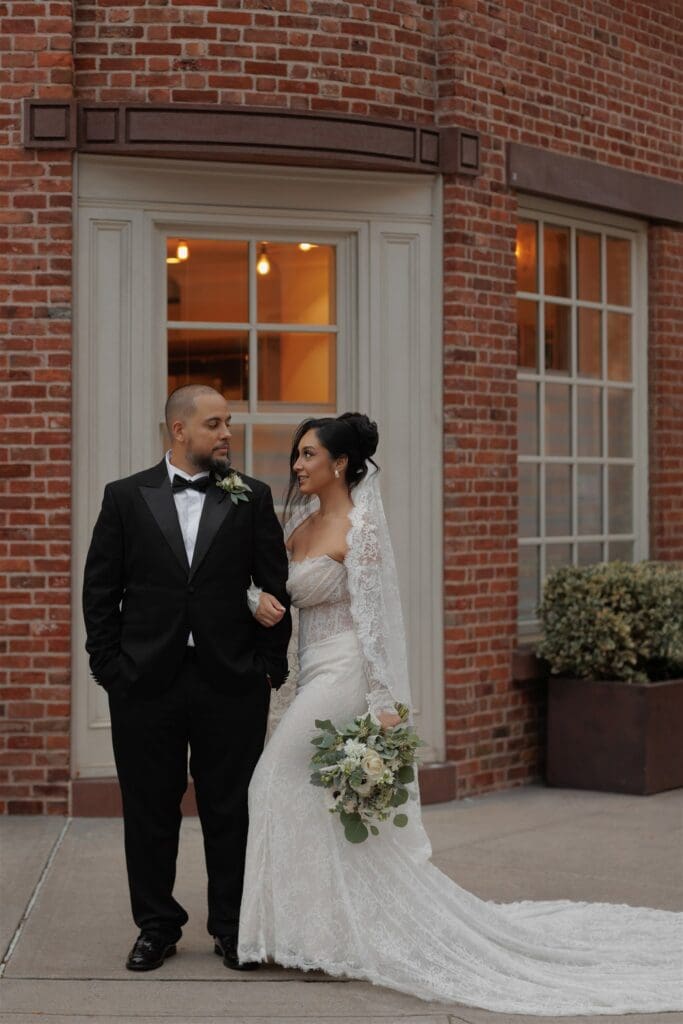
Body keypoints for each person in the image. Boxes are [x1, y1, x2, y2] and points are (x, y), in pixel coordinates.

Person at [238, 411, 683, 1015]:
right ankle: (314, 930)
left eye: (308, 455)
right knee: (311, 799)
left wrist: (383, 707)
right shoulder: (299, 521)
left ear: (340, 463)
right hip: (307, 668)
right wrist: (252, 598)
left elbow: (374, 625)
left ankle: (294, 930)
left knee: (270, 781)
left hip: (343, 675)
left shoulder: (361, 528)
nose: (297, 465)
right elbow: (276, 592)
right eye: (298, 455)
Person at [82, 384, 291, 972]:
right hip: (145, 684)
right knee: (149, 810)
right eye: (216, 423)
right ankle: (156, 925)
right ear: (179, 430)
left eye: (227, 423)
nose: (228, 433)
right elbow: (100, 591)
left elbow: (275, 586)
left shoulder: (252, 496)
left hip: (231, 682)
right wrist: (110, 670)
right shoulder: (125, 497)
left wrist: (267, 671)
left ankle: (231, 926)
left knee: (231, 809)